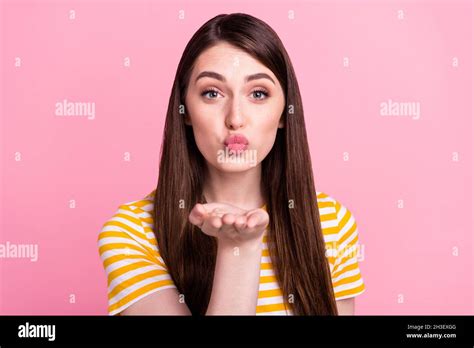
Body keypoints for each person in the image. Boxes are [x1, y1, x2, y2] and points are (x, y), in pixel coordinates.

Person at [97, 12, 365, 316]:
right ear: (184, 110)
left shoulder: (332, 224)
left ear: (283, 113)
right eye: (212, 93)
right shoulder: (131, 233)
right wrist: (238, 251)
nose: (235, 118)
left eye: (258, 94)